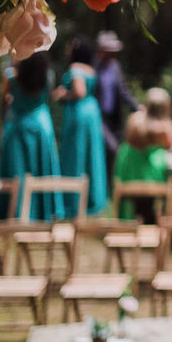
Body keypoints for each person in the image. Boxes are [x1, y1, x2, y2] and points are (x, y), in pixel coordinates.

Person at [0, 51, 63, 220]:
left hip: (18, 128)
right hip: (42, 127)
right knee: (42, 170)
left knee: (17, 172)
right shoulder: (47, 77)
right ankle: (45, 212)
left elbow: (2, 100)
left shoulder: (11, 77)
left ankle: (16, 213)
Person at [56, 37, 108, 216]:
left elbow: (79, 92)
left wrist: (63, 94)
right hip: (92, 112)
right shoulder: (91, 69)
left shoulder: (76, 68)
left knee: (75, 154)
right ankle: (93, 197)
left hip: (79, 113)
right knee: (91, 155)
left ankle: (73, 201)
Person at [114, 88, 172, 221]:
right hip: (151, 175)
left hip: (131, 173)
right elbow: (171, 144)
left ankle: (138, 221)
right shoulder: (164, 126)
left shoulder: (135, 119)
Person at [94, 31, 137, 176]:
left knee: (115, 151)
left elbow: (123, 92)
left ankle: (111, 187)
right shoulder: (93, 67)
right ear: (102, 50)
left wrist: (137, 107)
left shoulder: (115, 67)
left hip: (115, 119)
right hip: (99, 118)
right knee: (112, 149)